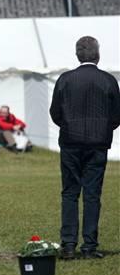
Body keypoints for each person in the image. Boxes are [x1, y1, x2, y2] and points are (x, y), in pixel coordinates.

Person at [50, 36, 120, 260]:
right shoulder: (108, 80)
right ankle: (89, 246)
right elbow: (116, 115)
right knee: (92, 194)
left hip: (70, 141)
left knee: (70, 193)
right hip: (98, 144)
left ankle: (69, 244)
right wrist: (103, 130)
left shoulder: (65, 79)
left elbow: (55, 113)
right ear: (97, 54)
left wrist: (69, 126)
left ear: (77, 54)